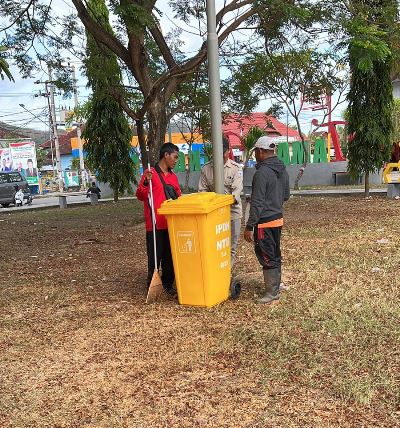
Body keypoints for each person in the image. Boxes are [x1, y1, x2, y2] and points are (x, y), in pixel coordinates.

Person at [244, 136, 290, 304]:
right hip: (278, 219)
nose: (255, 155)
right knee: (274, 253)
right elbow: (286, 195)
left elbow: (257, 202)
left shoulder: (261, 173)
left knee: (266, 255)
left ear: (261, 151)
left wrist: (250, 226)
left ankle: (272, 293)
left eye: (256, 152)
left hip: (264, 221)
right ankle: (275, 288)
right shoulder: (282, 169)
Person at [136, 143, 181, 295]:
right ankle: (152, 286)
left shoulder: (174, 177)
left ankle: (168, 285)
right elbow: (140, 195)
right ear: (166, 155)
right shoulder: (150, 174)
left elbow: (178, 197)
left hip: (171, 224)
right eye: (175, 157)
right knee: (155, 259)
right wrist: (146, 182)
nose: (176, 161)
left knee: (170, 258)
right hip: (155, 224)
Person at [198, 136, 243, 267]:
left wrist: (220, 202)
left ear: (228, 151)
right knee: (215, 245)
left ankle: (226, 274)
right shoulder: (206, 168)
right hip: (213, 214)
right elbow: (202, 191)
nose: (220, 156)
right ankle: (216, 272)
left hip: (232, 214)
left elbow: (236, 193)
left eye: (223, 152)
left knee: (231, 247)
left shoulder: (236, 168)